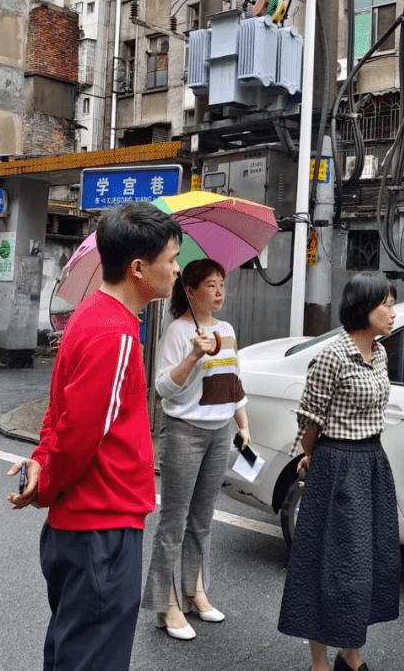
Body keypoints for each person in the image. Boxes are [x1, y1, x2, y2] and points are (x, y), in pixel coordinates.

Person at [7, 201, 183, 671]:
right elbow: (79, 436)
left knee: (72, 652)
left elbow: (58, 413)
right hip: (101, 527)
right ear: (139, 268)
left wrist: (41, 462)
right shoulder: (115, 334)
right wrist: (44, 483)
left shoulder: (89, 315)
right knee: (92, 659)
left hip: (83, 527)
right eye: (171, 259)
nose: (177, 269)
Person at [278, 273, 401, 671]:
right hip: (337, 468)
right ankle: (319, 662)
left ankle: (351, 652)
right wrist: (316, 458)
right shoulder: (331, 357)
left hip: (372, 466)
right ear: (363, 308)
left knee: (365, 566)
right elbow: (309, 425)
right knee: (327, 566)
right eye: (386, 304)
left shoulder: (379, 353)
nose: (393, 312)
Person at [141, 258, 250, 640]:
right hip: (184, 433)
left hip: (220, 432)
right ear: (190, 291)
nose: (219, 292)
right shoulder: (177, 332)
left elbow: (234, 382)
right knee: (173, 521)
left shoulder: (228, 330)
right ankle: (166, 604)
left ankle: (195, 591)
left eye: (222, 284)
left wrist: (243, 425)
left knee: (203, 520)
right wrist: (193, 355)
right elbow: (161, 389)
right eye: (210, 285)